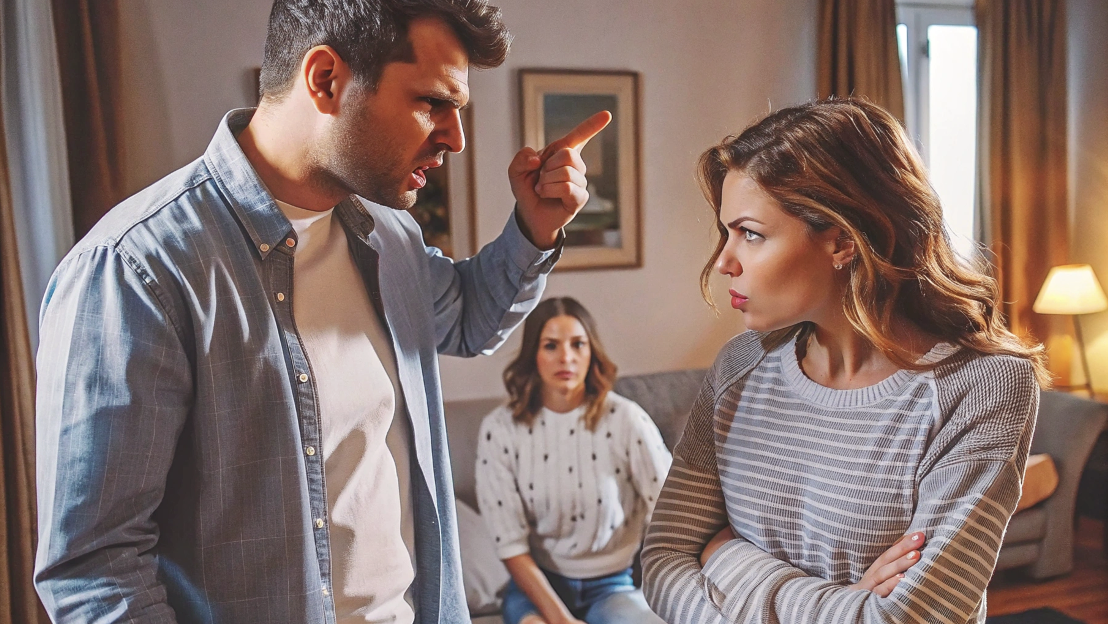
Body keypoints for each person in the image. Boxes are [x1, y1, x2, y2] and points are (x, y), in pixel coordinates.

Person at [33, 1, 611, 622]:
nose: (455, 138)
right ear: (326, 79)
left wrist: (535, 228)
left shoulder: (389, 236)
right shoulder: (135, 268)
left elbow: (468, 320)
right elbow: (96, 569)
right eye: (432, 103)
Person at [640, 98, 1046, 624]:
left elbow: (909, 618)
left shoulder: (983, 386)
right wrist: (847, 602)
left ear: (841, 241)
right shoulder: (739, 367)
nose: (724, 262)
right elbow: (663, 561)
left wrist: (724, 554)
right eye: (727, 232)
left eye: (751, 234)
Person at [475, 297, 672, 624]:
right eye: (551, 345)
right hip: (537, 587)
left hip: (613, 586)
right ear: (533, 355)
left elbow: (671, 511)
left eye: (578, 344)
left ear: (591, 351)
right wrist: (563, 621)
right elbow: (509, 544)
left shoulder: (626, 419)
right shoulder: (500, 429)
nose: (565, 357)